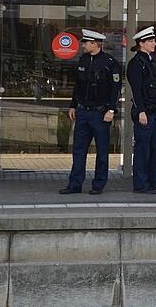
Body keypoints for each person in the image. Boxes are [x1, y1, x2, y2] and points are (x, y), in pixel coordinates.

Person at [59, 29, 121, 195]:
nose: (84, 45)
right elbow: (78, 86)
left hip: (100, 114)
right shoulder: (83, 60)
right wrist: (73, 105)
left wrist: (111, 110)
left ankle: (98, 185)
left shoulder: (110, 63)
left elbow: (115, 90)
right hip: (83, 112)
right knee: (78, 150)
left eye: (86, 43)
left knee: (101, 151)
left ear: (95, 44)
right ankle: (75, 184)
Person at [127, 26, 156, 194]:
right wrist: (141, 110)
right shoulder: (136, 64)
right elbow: (136, 90)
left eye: (154, 40)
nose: (154, 43)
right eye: (151, 41)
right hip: (144, 113)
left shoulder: (153, 63)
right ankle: (141, 184)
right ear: (141, 43)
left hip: (155, 113)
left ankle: (153, 181)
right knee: (143, 149)